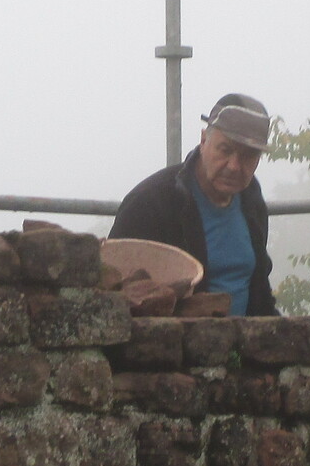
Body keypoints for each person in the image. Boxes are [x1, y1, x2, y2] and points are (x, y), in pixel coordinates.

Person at [110, 93, 277, 316]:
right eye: (225, 150)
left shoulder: (251, 199)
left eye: (248, 156)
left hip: (246, 336)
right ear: (203, 140)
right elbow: (114, 292)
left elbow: (259, 288)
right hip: (174, 336)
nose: (234, 166)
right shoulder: (151, 203)